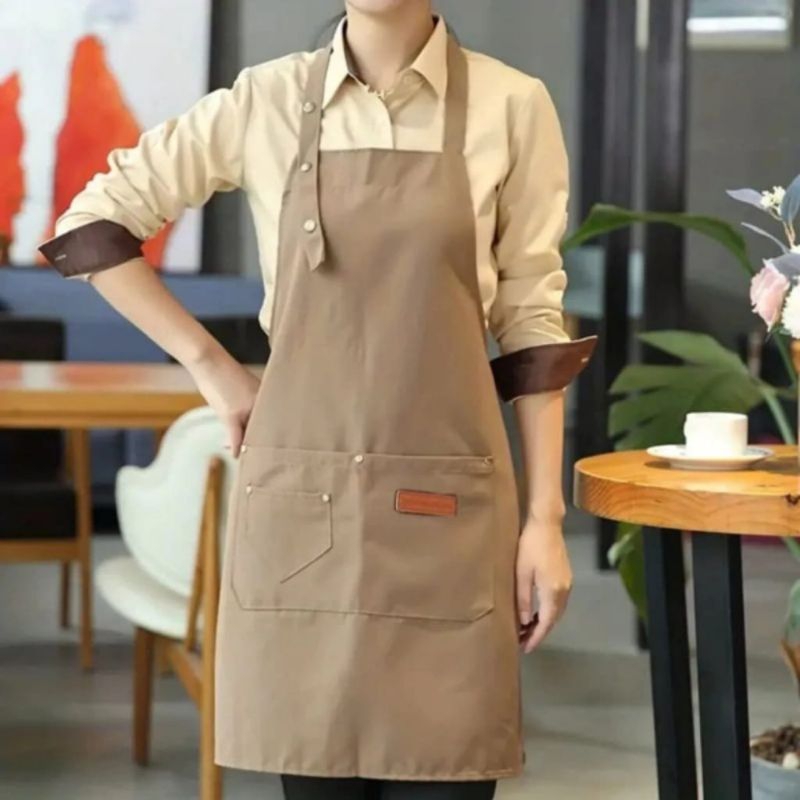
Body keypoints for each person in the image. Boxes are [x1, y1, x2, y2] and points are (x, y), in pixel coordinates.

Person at [38, 1, 598, 798]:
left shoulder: (512, 104)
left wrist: (544, 518)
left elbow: (532, 324)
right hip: (303, 518)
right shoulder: (263, 99)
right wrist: (211, 365)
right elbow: (93, 224)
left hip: (449, 512)